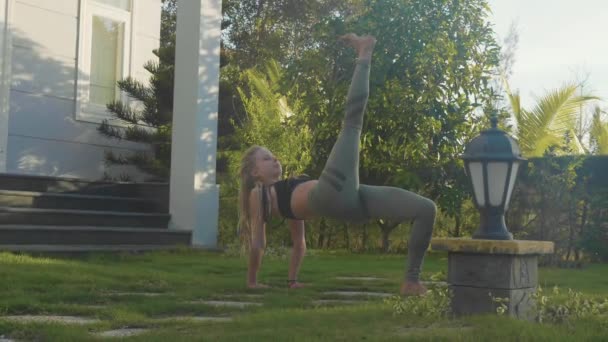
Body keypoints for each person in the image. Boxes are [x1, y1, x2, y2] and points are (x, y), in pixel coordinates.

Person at [237, 33, 436, 296]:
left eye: (273, 155)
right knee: (352, 122)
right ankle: (364, 53)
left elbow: (300, 244)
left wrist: (292, 281)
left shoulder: (286, 195)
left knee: (425, 209)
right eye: (265, 158)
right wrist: (252, 281)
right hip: (330, 195)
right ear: (255, 173)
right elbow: (258, 242)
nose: (275, 159)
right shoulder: (259, 194)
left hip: (348, 200)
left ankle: (411, 281)